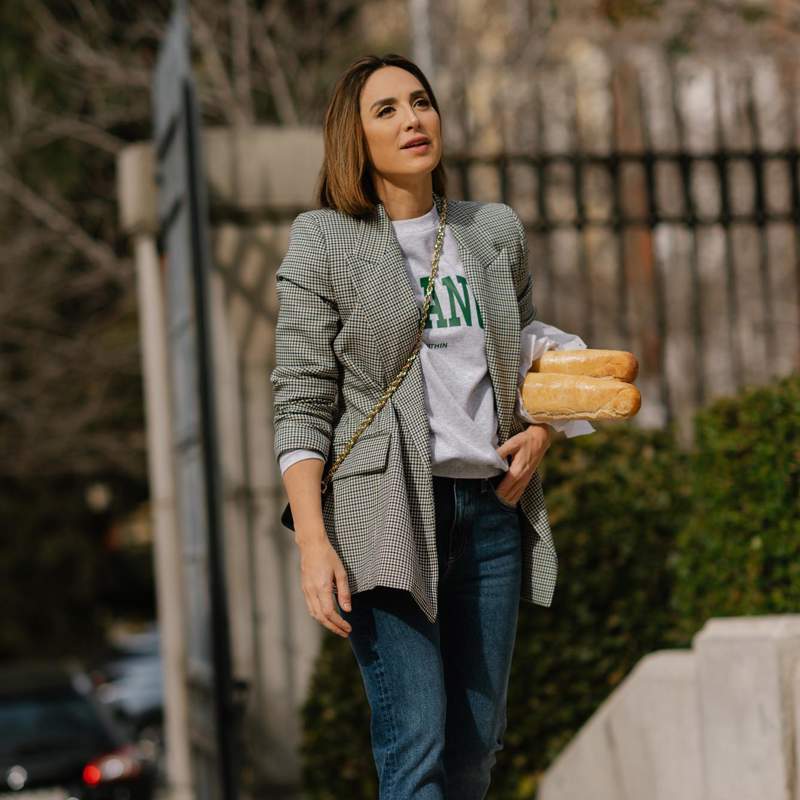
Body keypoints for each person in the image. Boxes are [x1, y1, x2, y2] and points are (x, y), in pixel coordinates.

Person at [270, 52, 586, 800]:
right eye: (386, 110)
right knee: (416, 747)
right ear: (357, 137)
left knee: (475, 753)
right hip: (381, 519)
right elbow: (302, 400)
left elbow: (529, 349)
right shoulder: (325, 240)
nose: (413, 120)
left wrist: (541, 430)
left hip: (490, 512)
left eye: (420, 102)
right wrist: (315, 545)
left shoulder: (492, 230)